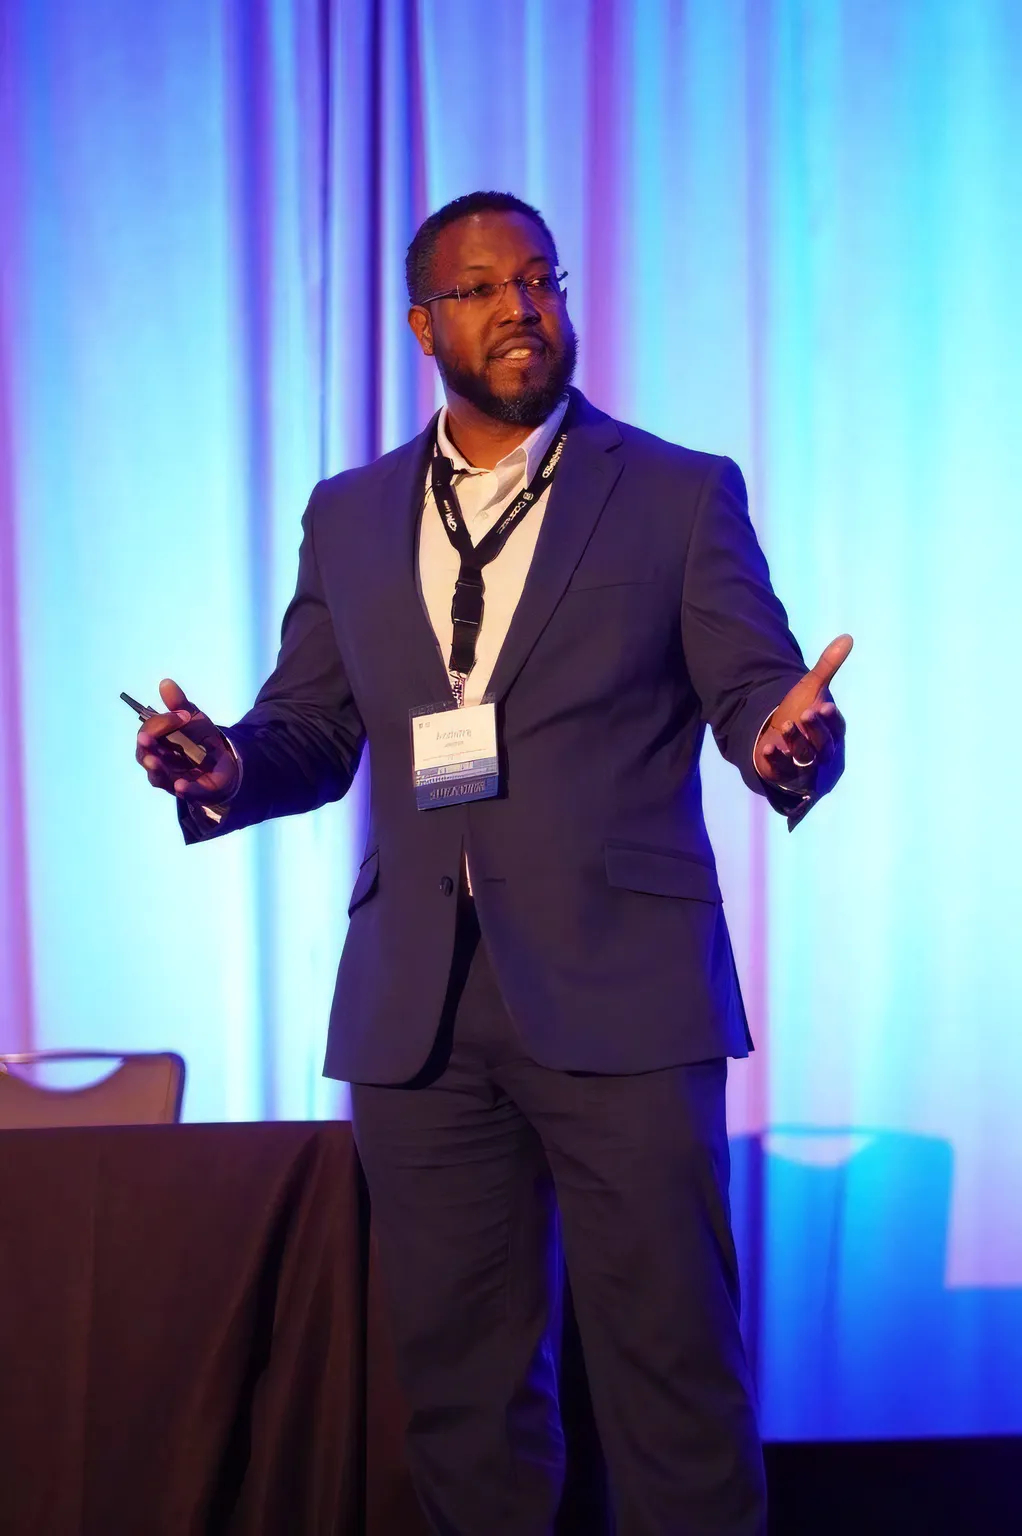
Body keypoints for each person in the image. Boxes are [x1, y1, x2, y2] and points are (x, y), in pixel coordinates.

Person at [136, 191, 850, 1536]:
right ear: (422, 324)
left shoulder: (675, 493)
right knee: (461, 1400)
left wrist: (788, 742)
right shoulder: (347, 517)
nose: (519, 306)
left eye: (539, 279)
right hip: (417, 1010)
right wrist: (224, 763)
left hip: (623, 996)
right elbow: (313, 726)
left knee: (670, 1382)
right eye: (479, 288)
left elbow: (757, 693)